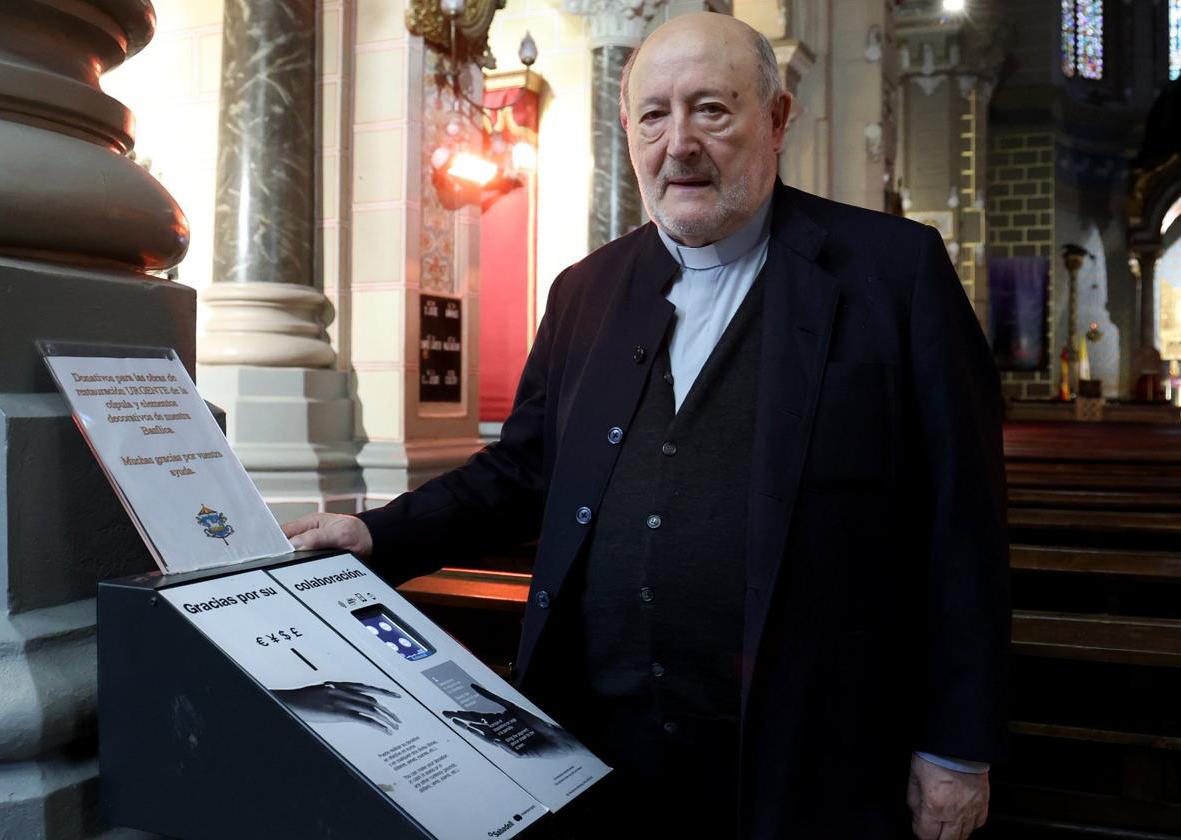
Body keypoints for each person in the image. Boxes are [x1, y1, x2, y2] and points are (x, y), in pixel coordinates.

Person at [284, 12, 1009, 839]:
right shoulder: (585, 290)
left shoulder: (892, 273)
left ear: (776, 121)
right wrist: (378, 536)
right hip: (600, 740)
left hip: (806, 745)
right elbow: (523, 472)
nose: (680, 144)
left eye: (712, 109)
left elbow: (964, 522)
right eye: (655, 115)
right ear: (627, 130)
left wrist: (958, 747)